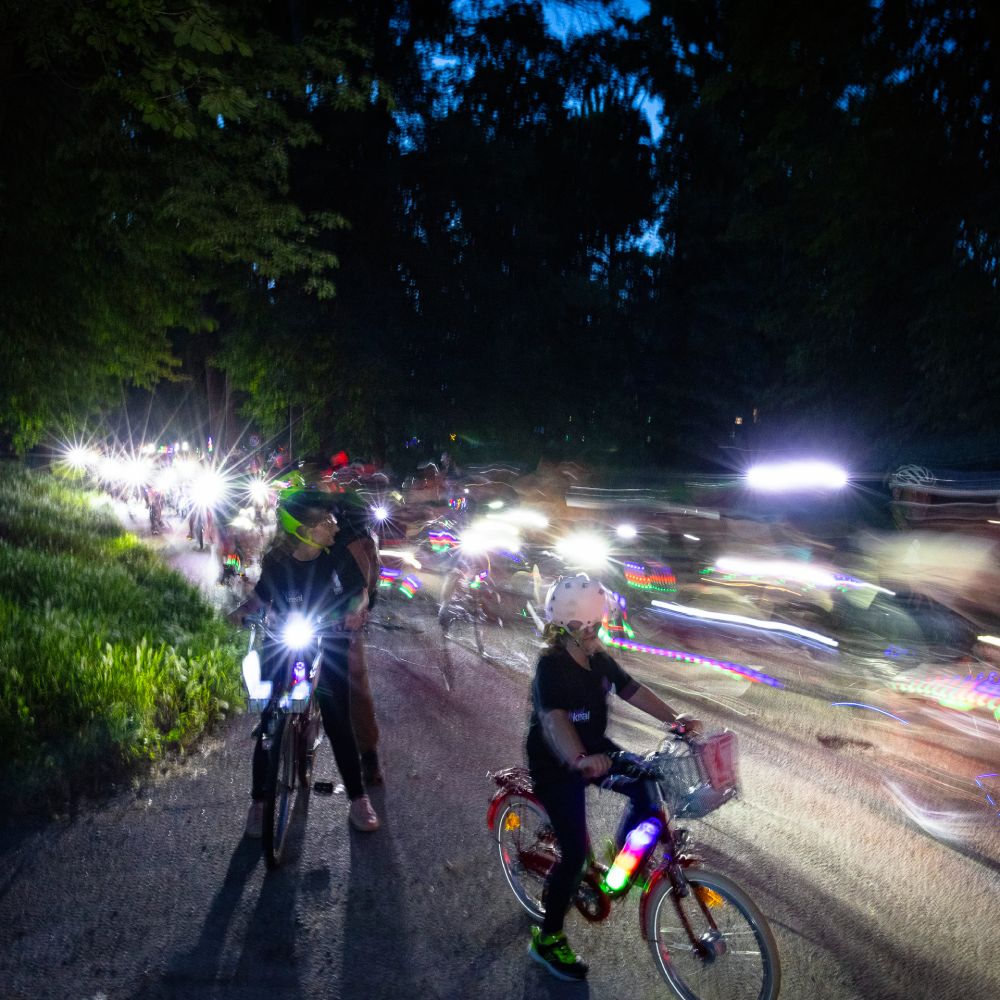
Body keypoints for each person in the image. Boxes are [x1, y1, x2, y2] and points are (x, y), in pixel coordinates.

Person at [526, 573, 701, 982]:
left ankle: (622, 861)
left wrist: (674, 719)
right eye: (589, 626)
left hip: (597, 751)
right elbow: (553, 721)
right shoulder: (551, 666)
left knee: (647, 782)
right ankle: (547, 940)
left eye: (598, 624)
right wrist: (580, 759)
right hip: (557, 764)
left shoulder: (597, 658)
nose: (597, 631)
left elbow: (630, 688)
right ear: (569, 625)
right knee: (573, 856)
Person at [232, 490, 380, 835]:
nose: (335, 525)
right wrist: (239, 613)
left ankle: (358, 798)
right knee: (269, 716)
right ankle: (259, 802)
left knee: (337, 717)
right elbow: (260, 597)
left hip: (330, 637)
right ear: (304, 530)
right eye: (326, 520)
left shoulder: (337, 557)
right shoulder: (277, 563)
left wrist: (355, 613)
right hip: (285, 638)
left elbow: (359, 594)